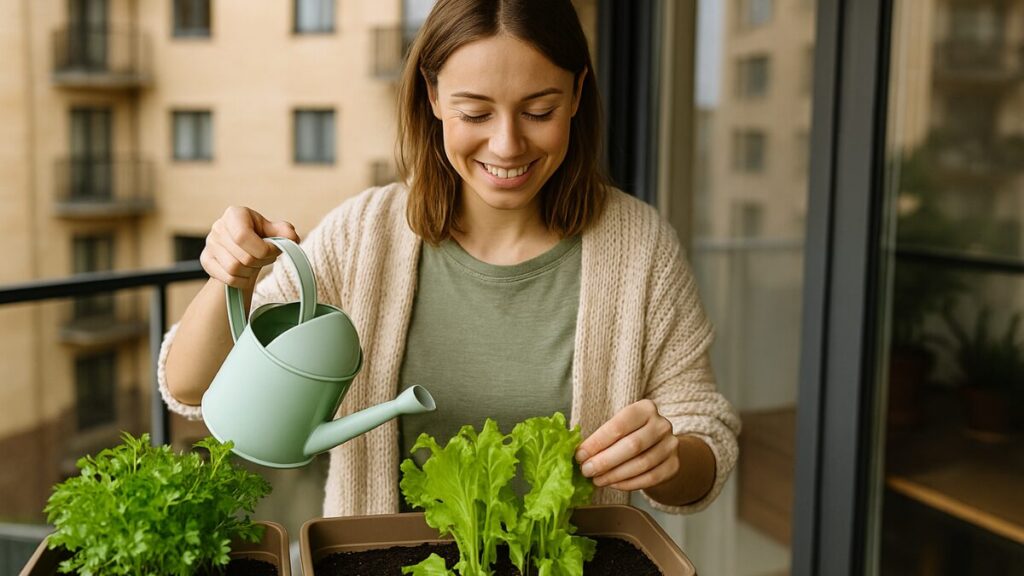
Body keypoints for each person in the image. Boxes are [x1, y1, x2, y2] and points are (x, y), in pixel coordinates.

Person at [159, 0, 740, 518]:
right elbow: (191, 389)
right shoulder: (362, 237)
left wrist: (667, 460)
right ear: (433, 96)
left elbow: (705, 435)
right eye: (475, 113)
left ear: (578, 95)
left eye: (539, 111)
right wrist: (226, 279)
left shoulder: (640, 248)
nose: (508, 144)